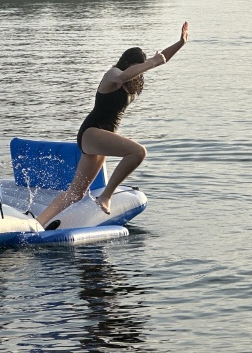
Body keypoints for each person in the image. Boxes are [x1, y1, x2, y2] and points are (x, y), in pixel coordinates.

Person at [37, 22, 189, 228]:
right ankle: (106, 196)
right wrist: (153, 61)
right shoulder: (114, 73)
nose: (138, 72)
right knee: (138, 152)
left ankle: (38, 223)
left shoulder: (133, 79)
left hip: (101, 137)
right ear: (127, 63)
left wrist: (180, 43)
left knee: (76, 193)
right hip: (92, 132)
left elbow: (161, 59)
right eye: (136, 67)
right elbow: (126, 74)